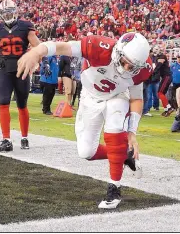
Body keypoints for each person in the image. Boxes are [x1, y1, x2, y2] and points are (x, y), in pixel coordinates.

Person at [16, 32, 153, 209]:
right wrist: (35, 53)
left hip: (118, 96)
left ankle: (114, 188)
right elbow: (60, 46)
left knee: (115, 127)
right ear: (118, 51)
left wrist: (132, 132)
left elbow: (136, 99)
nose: (127, 68)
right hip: (90, 96)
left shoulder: (143, 68)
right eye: (124, 61)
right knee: (86, 152)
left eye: (132, 66)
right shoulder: (98, 47)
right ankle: (122, 155)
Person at [0, 0, 41, 152]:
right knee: (3, 102)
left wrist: (42, 61)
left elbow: (38, 47)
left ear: (15, 11)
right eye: (4, 13)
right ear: (0, 14)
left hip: (22, 69)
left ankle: (24, 137)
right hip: (4, 69)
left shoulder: (25, 26)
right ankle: (6, 139)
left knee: (22, 104)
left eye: (10, 12)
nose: (7, 15)